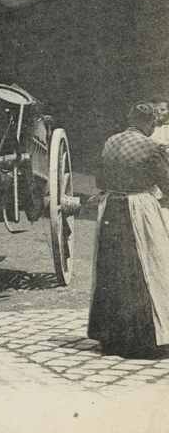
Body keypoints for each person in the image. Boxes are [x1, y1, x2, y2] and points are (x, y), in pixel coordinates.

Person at [87, 102, 169, 359]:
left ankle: (112, 337)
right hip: (138, 209)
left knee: (112, 271)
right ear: (150, 123)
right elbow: (167, 183)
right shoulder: (152, 147)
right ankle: (145, 340)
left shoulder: (110, 142)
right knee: (146, 268)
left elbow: (100, 180)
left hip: (110, 209)